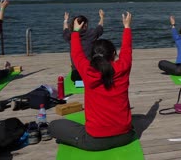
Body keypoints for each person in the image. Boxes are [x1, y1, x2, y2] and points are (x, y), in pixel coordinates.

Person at [50, 12, 135, 151]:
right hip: (126, 136)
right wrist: (127, 27)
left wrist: (76, 31)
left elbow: (76, 53)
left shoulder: (88, 71)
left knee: (54, 126)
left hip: (95, 140)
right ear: (114, 54)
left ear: (93, 56)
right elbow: (127, 49)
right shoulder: (123, 67)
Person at [63, 10, 104, 81]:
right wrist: (102, 17)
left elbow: (65, 30)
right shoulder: (91, 34)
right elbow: (100, 28)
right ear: (85, 25)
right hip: (89, 73)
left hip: (76, 76)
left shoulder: (70, 36)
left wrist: (65, 20)